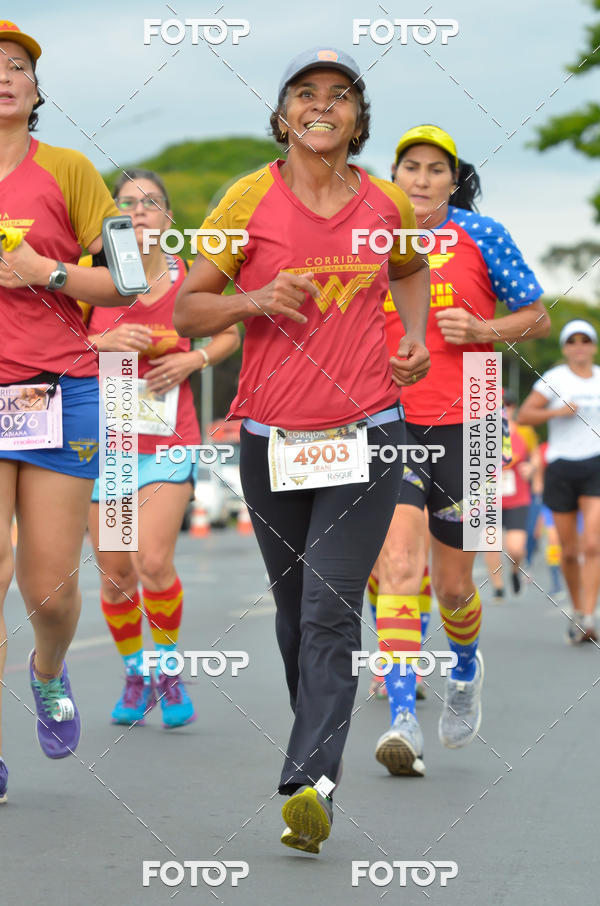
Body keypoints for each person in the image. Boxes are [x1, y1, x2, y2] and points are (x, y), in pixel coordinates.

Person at [174, 48, 430, 852]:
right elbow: (188, 310)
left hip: (369, 432)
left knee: (329, 606)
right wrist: (254, 297)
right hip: (271, 439)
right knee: (295, 616)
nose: (323, 105)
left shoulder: (387, 201)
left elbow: (410, 269)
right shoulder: (247, 198)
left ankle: (310, 782)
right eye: (306, 93)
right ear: (283, 114)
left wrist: (414, 336)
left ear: (358, 117)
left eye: (341, 95)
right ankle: (315, 746)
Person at [369, 124, 550, 777]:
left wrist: (482, 327)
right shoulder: (371, 236)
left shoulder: (482, 234)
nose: (421, 179)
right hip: (388, 416)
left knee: (451, 587)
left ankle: (466, 669)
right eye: (410, 167)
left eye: (435, 169)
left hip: (470, 418)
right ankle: (402, 720)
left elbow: (536, 316)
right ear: (394, 175)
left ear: (453, 179)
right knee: (399, 566)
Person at [0, 23, 135, 803]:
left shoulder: (71, 171)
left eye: (17, 66)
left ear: (36, 89)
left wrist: (44, 271)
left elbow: (127, 281)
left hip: (59, 390)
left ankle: (49, 672)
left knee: (47, 592)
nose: (4, 76)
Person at [84, 170, 240, 727]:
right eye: (127, 203)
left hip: (168, 444)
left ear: (168, 218)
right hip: (106, 448)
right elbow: (58, 342)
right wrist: (102, 341)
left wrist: (194, 358)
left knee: (152, 562)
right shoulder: (93, 278)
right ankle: (136, 675)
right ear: (113, 219)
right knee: (115, 575)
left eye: (150, 203)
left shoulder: (188, 278)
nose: (139, 211)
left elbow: (229, 331)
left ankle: (169, 671)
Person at [519, 319, 600, 643]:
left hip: (596, 464)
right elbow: (524, 415)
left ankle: (589, 615)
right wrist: (557, 412)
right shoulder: (554, 379)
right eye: (572, 341)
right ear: (565, 348)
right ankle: (578, 610)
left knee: (593, 543)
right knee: (568, 551)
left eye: (585, 340)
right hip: (561, 466)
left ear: (593, 346)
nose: (579, 346)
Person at [484, 389, 541, 599]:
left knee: (516, 548)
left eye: (506, 405)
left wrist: (532, 468)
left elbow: (536, 456)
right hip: (490, 498)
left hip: (518, 498)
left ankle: (515, 570)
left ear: (513, 407)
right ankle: (498, 587)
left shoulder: (524, 431)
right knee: (491, 543)